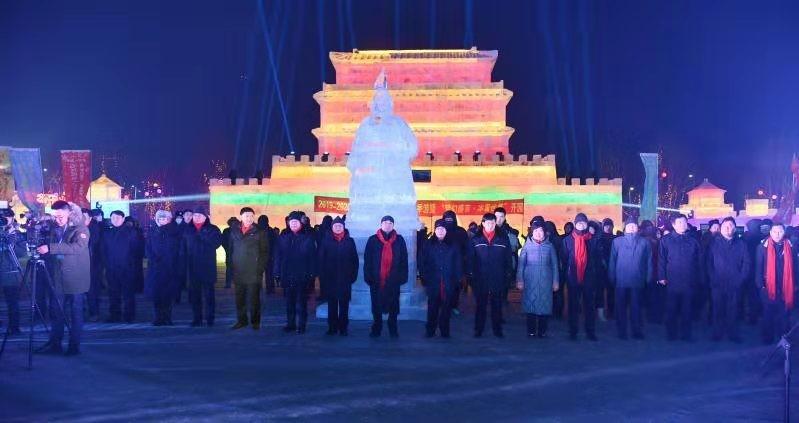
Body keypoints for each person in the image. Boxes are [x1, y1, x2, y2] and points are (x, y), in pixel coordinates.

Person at [35, 201, 90, 356]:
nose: (57, 219)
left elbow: (78, 247)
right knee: (56, 311)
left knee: (75, 313)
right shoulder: (55, 228)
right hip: (58, 277)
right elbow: (54, 248)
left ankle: (74, 346)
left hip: (76, 278)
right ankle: (55, 344)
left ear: (69, 213)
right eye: (55, 216)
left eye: (60, 216)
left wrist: (50, 248)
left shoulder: (80, 228)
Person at [467, 213, 513, 338]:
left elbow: (508, 259)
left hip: (497, 278)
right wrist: (471, 276)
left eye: (493, 223)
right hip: (480, 278)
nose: (491, 225)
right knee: (480, 305)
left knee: (497, 306)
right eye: (488, 223)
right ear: (482, 224)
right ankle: (478, 329)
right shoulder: (476, 240)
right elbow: (470, 259)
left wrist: (508, 275)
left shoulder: (502, 239)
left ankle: (497, 330)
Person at [705, 217, 750, 343]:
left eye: (730, 226)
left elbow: (746, 263)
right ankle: (717, 332)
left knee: (734, 309)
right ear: (721, 228)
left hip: (735, 284)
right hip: (717, 283)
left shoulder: (741, 244)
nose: (728, 228)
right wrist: (712, 278)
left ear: (735, 228)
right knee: (717, 309)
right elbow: (708, 263)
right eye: (725, 226)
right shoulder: (713, 243)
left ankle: (733, 333)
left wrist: (741, 279)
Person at [658, 214, 702, 342]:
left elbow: (699, 260)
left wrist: (698, 277)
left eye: (685, 222)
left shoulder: (693, 240)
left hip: (689, 279)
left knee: (687, 309)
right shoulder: (666, 240)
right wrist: (661, 276)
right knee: (671, 308)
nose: (683, 225)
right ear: (673, 225)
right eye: (680, 222)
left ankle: (686, 334)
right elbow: (661, 260)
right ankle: (671, 334)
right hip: (672, 280)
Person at [363, 215, 409, 338]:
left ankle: (392, 327)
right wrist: (368, 277)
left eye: (390, 223)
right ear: (381, 224)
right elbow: (367, 260)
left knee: (393, 305)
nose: (388, 225)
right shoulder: (372, 240)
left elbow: (404, 259)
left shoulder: (399, 240)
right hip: (377, 280)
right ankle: (376, 327)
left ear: (393, 225)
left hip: (393, 279)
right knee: (376, 305)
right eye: (385, 222)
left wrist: (402, 277)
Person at [608, 217, 652, 340]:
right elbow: (612, 260)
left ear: (637, 228)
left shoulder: (644, 242)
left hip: (637, 280)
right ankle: (621, 331)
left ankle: (636, 330)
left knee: (636, 307)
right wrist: (611, 276)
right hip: (621, 280)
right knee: (620, 307)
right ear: (625, 228)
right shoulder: (617, 242)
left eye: (634, 225)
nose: (632, 227)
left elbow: (648, 262)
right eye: (629, 225)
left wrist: (648, 277)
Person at [273, 211, 317, 334]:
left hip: (302, 275)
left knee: (301, 303)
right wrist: (276, 272)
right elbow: (277, 256)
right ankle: (290, 323)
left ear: (301, 223)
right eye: (291, 222)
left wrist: (312, 274)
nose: (293, 224)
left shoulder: (308, 238)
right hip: (287, 275)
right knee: (289, 302)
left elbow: (312, 258)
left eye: (296, 222)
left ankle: (301, 325)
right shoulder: (283, 238)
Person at [561, 213, 602, 341]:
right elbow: (564, 258)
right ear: (575, 224)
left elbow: (597, 258)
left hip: (589, 278)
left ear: (586, 224)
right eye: (579, 223)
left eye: (583, 223)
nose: (581, 225)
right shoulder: (567, 240)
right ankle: (573, 331)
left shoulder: (593, 239)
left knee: (589, 305)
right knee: (573, 306)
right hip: (573, 277)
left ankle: (590, 331)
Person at [755, 222, 797, 344]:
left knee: (784, 313)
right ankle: (768, 337)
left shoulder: (790, 246)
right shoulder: (762, 246)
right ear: (770, 232)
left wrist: (796, 284)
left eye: (780, 231)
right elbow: (758, 267)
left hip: (786, 286)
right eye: (774, 231)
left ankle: (783, 336)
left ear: (784, 232)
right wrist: (760, 285)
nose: (777, 234)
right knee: (768, 313)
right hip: (768, 286)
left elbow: (795, 266)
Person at [516, 220, 559, 338]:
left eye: (541, 231)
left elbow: (555, 265)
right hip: (530, 280)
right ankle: (531, 330)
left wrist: (555, 281)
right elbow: (521, 265)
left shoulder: (550, 247)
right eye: (535, 231)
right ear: (532, 233)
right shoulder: (527, 247)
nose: (538, 233)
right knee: (530, 305)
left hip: (546, 281)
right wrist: (519, 280)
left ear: (545, 233)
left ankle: (542, 331)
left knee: (544, 306)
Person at [420, 219, 462, 338]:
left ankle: (445, 330)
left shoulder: (453, 245)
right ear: (434, 230)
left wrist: (458, 278)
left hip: (448, 281)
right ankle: (430, 330)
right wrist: (424, 276)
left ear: (446, 230)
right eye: (438, 229)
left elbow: (458, 263)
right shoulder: (428, 244)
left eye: (443, 229)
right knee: (432, 306)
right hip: (433, 281)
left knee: (446, 308)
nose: (440, 231)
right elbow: (422, 262)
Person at [317, 216, 358, 335]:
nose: (338, 228)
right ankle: (332, 327)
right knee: (332, 305)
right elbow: (321, 260)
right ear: (332, 227)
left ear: (344, 227)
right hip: (330, 279)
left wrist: (353, 276)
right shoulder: (326, 241)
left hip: (345, 279)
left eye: (340, 226)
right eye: (336, 226)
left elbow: (354, 260)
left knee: (344, 305)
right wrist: (322, 277)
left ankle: (343, 327)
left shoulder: (349, 241)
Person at [229, 207, 269, 330]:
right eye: (246, 216)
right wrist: (231, 265)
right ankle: (242, 320)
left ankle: (255, 322)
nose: (249, 218)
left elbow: (265, 252)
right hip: (239, 270)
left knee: (254, 299)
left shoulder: (259, 232)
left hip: (253, 271)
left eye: (251, 216)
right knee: (239, 298)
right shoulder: (234, 231)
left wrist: (260, 268)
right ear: (241, 217)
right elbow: (230, 249)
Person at [183, 209, 222, 327]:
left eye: (199, 215)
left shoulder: (213, 229)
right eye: (195, 215)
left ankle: (210, 318)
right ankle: (197, 318)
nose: (197, 217)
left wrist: (202, 234)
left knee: (209, 295)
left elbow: (217, 243)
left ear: (206, 217)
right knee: (195, 296)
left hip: (207, 267)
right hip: (192, 267)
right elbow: (183, 248)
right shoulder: (187, 230)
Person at [102, 210, 141, 323]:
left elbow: (136, 250)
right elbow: (103, 250)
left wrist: (131, 263)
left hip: (127, 268)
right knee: (113, 293)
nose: (115, 220)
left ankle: (129, 315)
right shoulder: (106, 233)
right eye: (113, 217)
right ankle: (114, 315)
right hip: (111, 268)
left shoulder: (131, 232)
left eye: (118, 218)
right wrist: (107, 264)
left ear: (123, 219)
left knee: (128, 293)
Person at [144, 210, 182, 326]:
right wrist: (153, 258)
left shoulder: (174, 232)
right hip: (156, 267)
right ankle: (157, 318)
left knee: (168, 294)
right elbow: (147, 248)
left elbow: (178, 249)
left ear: (169, 220)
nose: (162, 220)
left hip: (170, 267)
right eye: (160, 219)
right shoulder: (152, 232)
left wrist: (172, 260)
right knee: (157, 294)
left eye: (165, 219)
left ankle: (167, 317)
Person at [0, 216, 24, 336]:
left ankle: (14, 327)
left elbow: (22, 252)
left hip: (10, 272)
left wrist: (11, 242)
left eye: (7, 218)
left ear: (12, 219)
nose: (3, 221)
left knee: (12, 302)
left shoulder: (15, 234)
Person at [442, 210, 469, 315]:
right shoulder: (440, 230)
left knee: (456, 286)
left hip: (458, 264)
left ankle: (453, 306)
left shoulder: (461, 231)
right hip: (443, 264)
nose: (448, 221)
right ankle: (443, 306)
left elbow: (467, 248)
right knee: (443, 285)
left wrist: (465, 263)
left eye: (450, 219)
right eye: (446, 219)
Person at [84, 208, 104, 322]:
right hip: (80, 263)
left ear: (90, 218)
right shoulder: (78, 228)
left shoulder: (95, 228)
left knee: (92, 289)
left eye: (85, 217)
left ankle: (94, 312)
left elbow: (94, 245)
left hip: (93, 264)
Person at [596, 218, 616, 322]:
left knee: (611, 292)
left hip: (612, 268)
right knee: (599, 291)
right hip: (601, 269)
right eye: (606, 225)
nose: (608, 227)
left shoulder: (615, 238)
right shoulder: (599, 238)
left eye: (610, 225)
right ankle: (600, 313)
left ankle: (611, 312)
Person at [221, 217, 238, 289]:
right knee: (229, 269)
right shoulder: (226, 231)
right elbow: (223, 241)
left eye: (235, 223)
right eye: (232, 222)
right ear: (230, 223)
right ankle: (228, 283)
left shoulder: (239, 231)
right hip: (229, 252)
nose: (233, 224)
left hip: (238, 253)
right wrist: (227, 249)